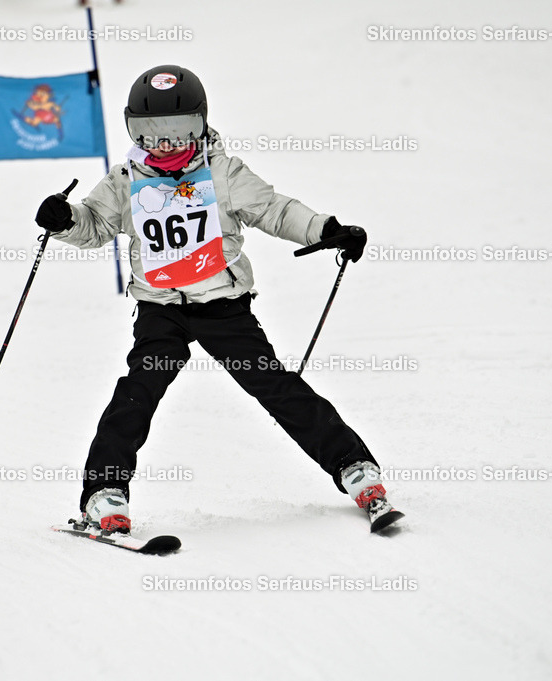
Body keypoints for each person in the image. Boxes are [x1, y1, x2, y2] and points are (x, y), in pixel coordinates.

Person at [35, 65, 403, 534]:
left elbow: (273, 209)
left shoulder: (222, 173)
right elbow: (94, 225)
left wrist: (326, 229)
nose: (163, 145)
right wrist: (64, 219)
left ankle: (354, 468)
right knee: (136, 394)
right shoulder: (125, 181)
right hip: (159, 309)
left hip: (223, 307)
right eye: (149, 133)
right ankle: (104, 495)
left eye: (177, 131)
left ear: (200, 124)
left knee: (275, 386)